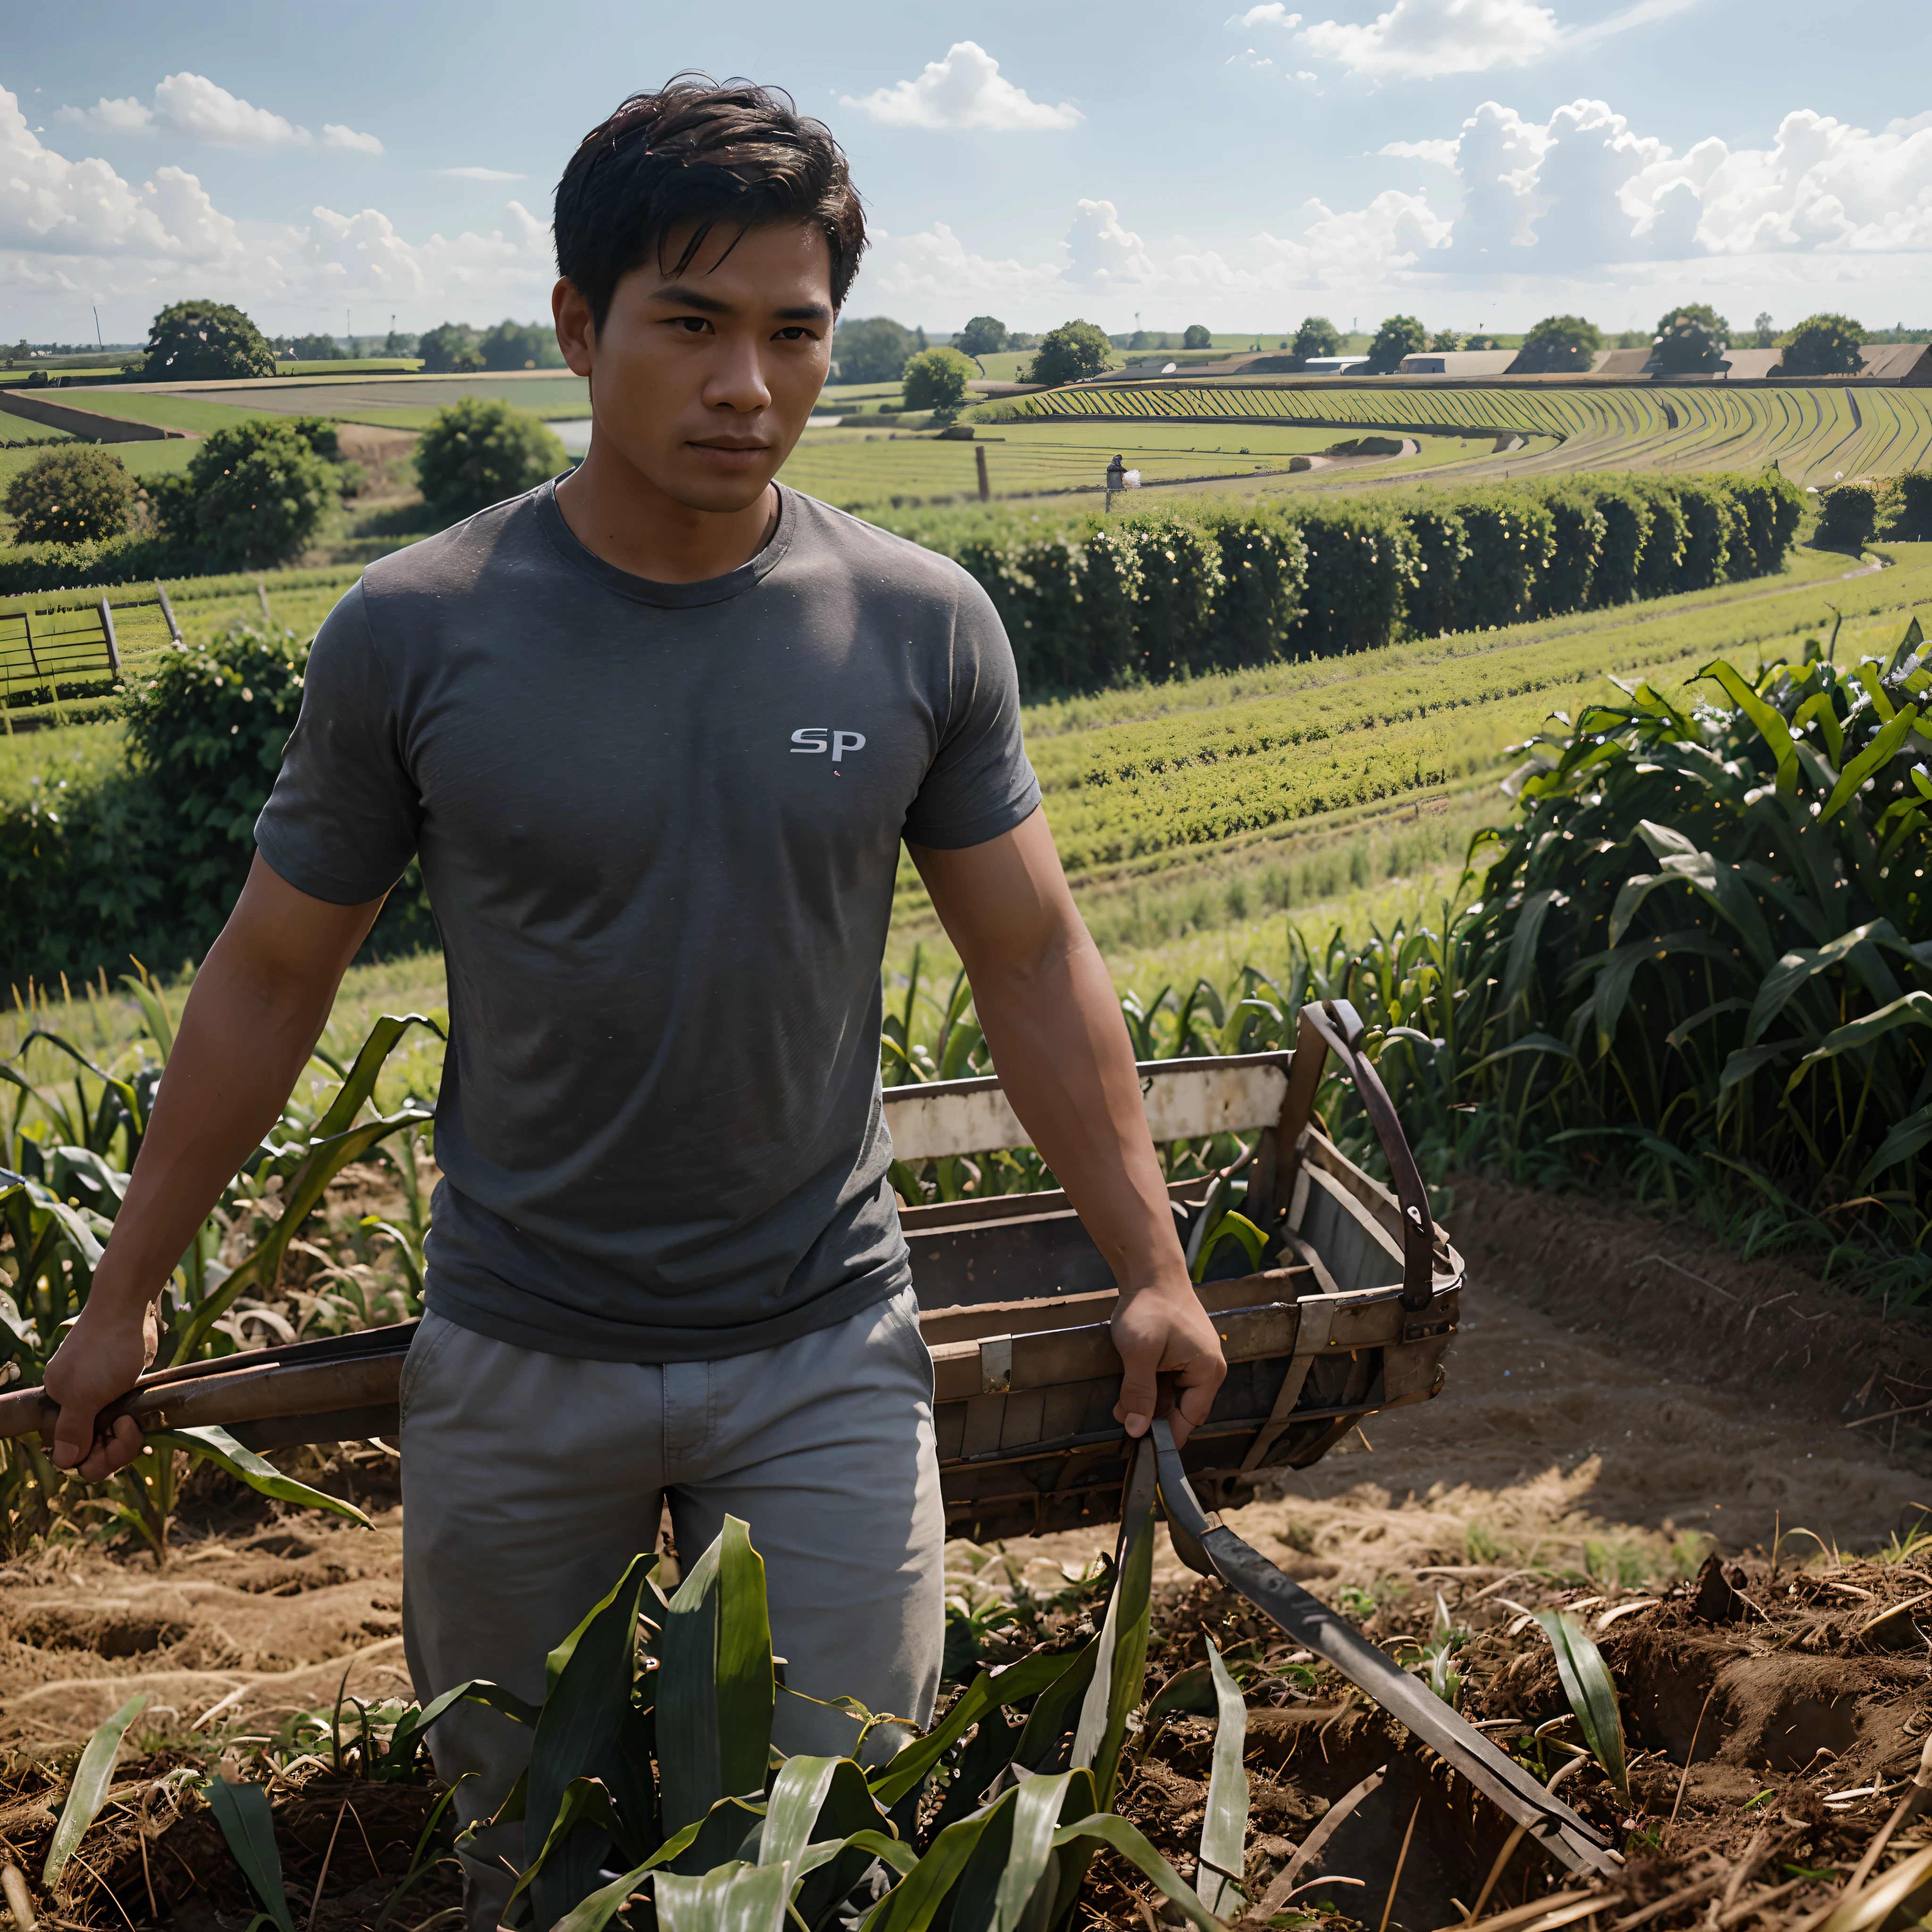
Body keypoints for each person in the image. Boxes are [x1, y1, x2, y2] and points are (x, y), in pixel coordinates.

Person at [41, 77, 1227, 1930]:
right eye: (690, 324)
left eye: (791, 332)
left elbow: (1030, 954)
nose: (746, 384)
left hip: (824, 1351)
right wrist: (123, 1300)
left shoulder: (919, 626)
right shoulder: (418, 632)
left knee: (836, 1858)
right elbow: (274, 972)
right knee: (534, 1860)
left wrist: (1147, 1259)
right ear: (580, 328)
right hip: (517, 1359)